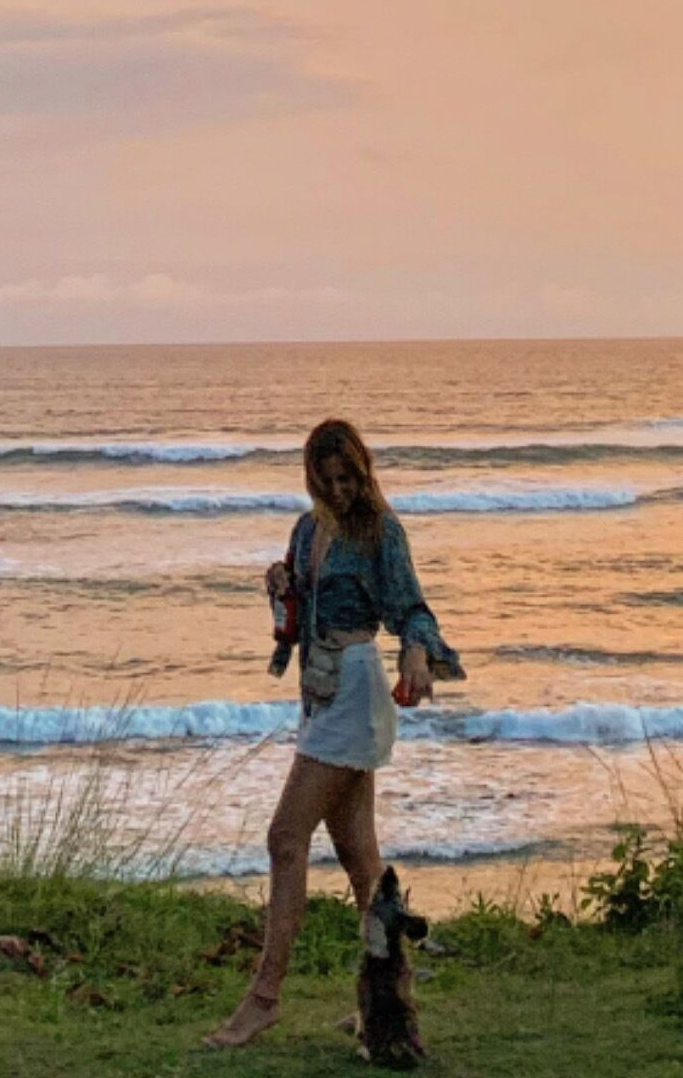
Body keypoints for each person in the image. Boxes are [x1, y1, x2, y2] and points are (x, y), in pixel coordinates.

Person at [206, 417, 462, 1050]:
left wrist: (417, 654)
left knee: (284, 837)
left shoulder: (381, 530)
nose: (340, 489)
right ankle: (385, 1005)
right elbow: (298, 608)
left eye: (348, 476)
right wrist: (282, 583)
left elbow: (413, 608)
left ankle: (263, 999)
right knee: (362, 862)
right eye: (328, 480)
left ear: (363, 470)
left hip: (354, 690)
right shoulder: (306, 528)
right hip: (319, 692)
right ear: (313, 479)